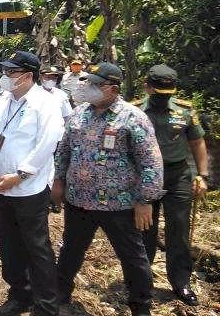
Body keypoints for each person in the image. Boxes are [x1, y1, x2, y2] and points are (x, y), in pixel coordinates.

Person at [53, 62, 165, 316]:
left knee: (132, 256)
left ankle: (140, 306)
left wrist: (145, 200)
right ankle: (60, 294)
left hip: (119, 204)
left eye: (95, 84)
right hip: (79, 200)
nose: (88, 87)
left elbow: (150, 161)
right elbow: (64, 150)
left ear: (112, 89)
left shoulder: (133, 117)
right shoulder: (79, 113)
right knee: (71, 249)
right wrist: (58, 181)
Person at [0, 51, 65, 316]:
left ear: (28, 76)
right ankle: (19, 294)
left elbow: (46, 144)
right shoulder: (3, 101)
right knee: (9, 245)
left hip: (29, 189)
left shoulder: (45, 103)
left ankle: (46, 305)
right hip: (1, 187)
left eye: (12, 72)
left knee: (37, 248)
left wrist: (19, 176)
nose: (6, 77)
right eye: (5, 71)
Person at [136, 64, 209, 306]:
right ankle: (141, 282)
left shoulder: (185, 111)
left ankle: (180, 283)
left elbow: (197, 142)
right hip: (145, 177)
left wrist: (203, 175)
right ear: (148, 87)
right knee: (145, 229)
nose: (162, 98)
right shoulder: (135, 111)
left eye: (167, 94)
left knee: (178, 230)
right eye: (158, 93)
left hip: (177, 175)